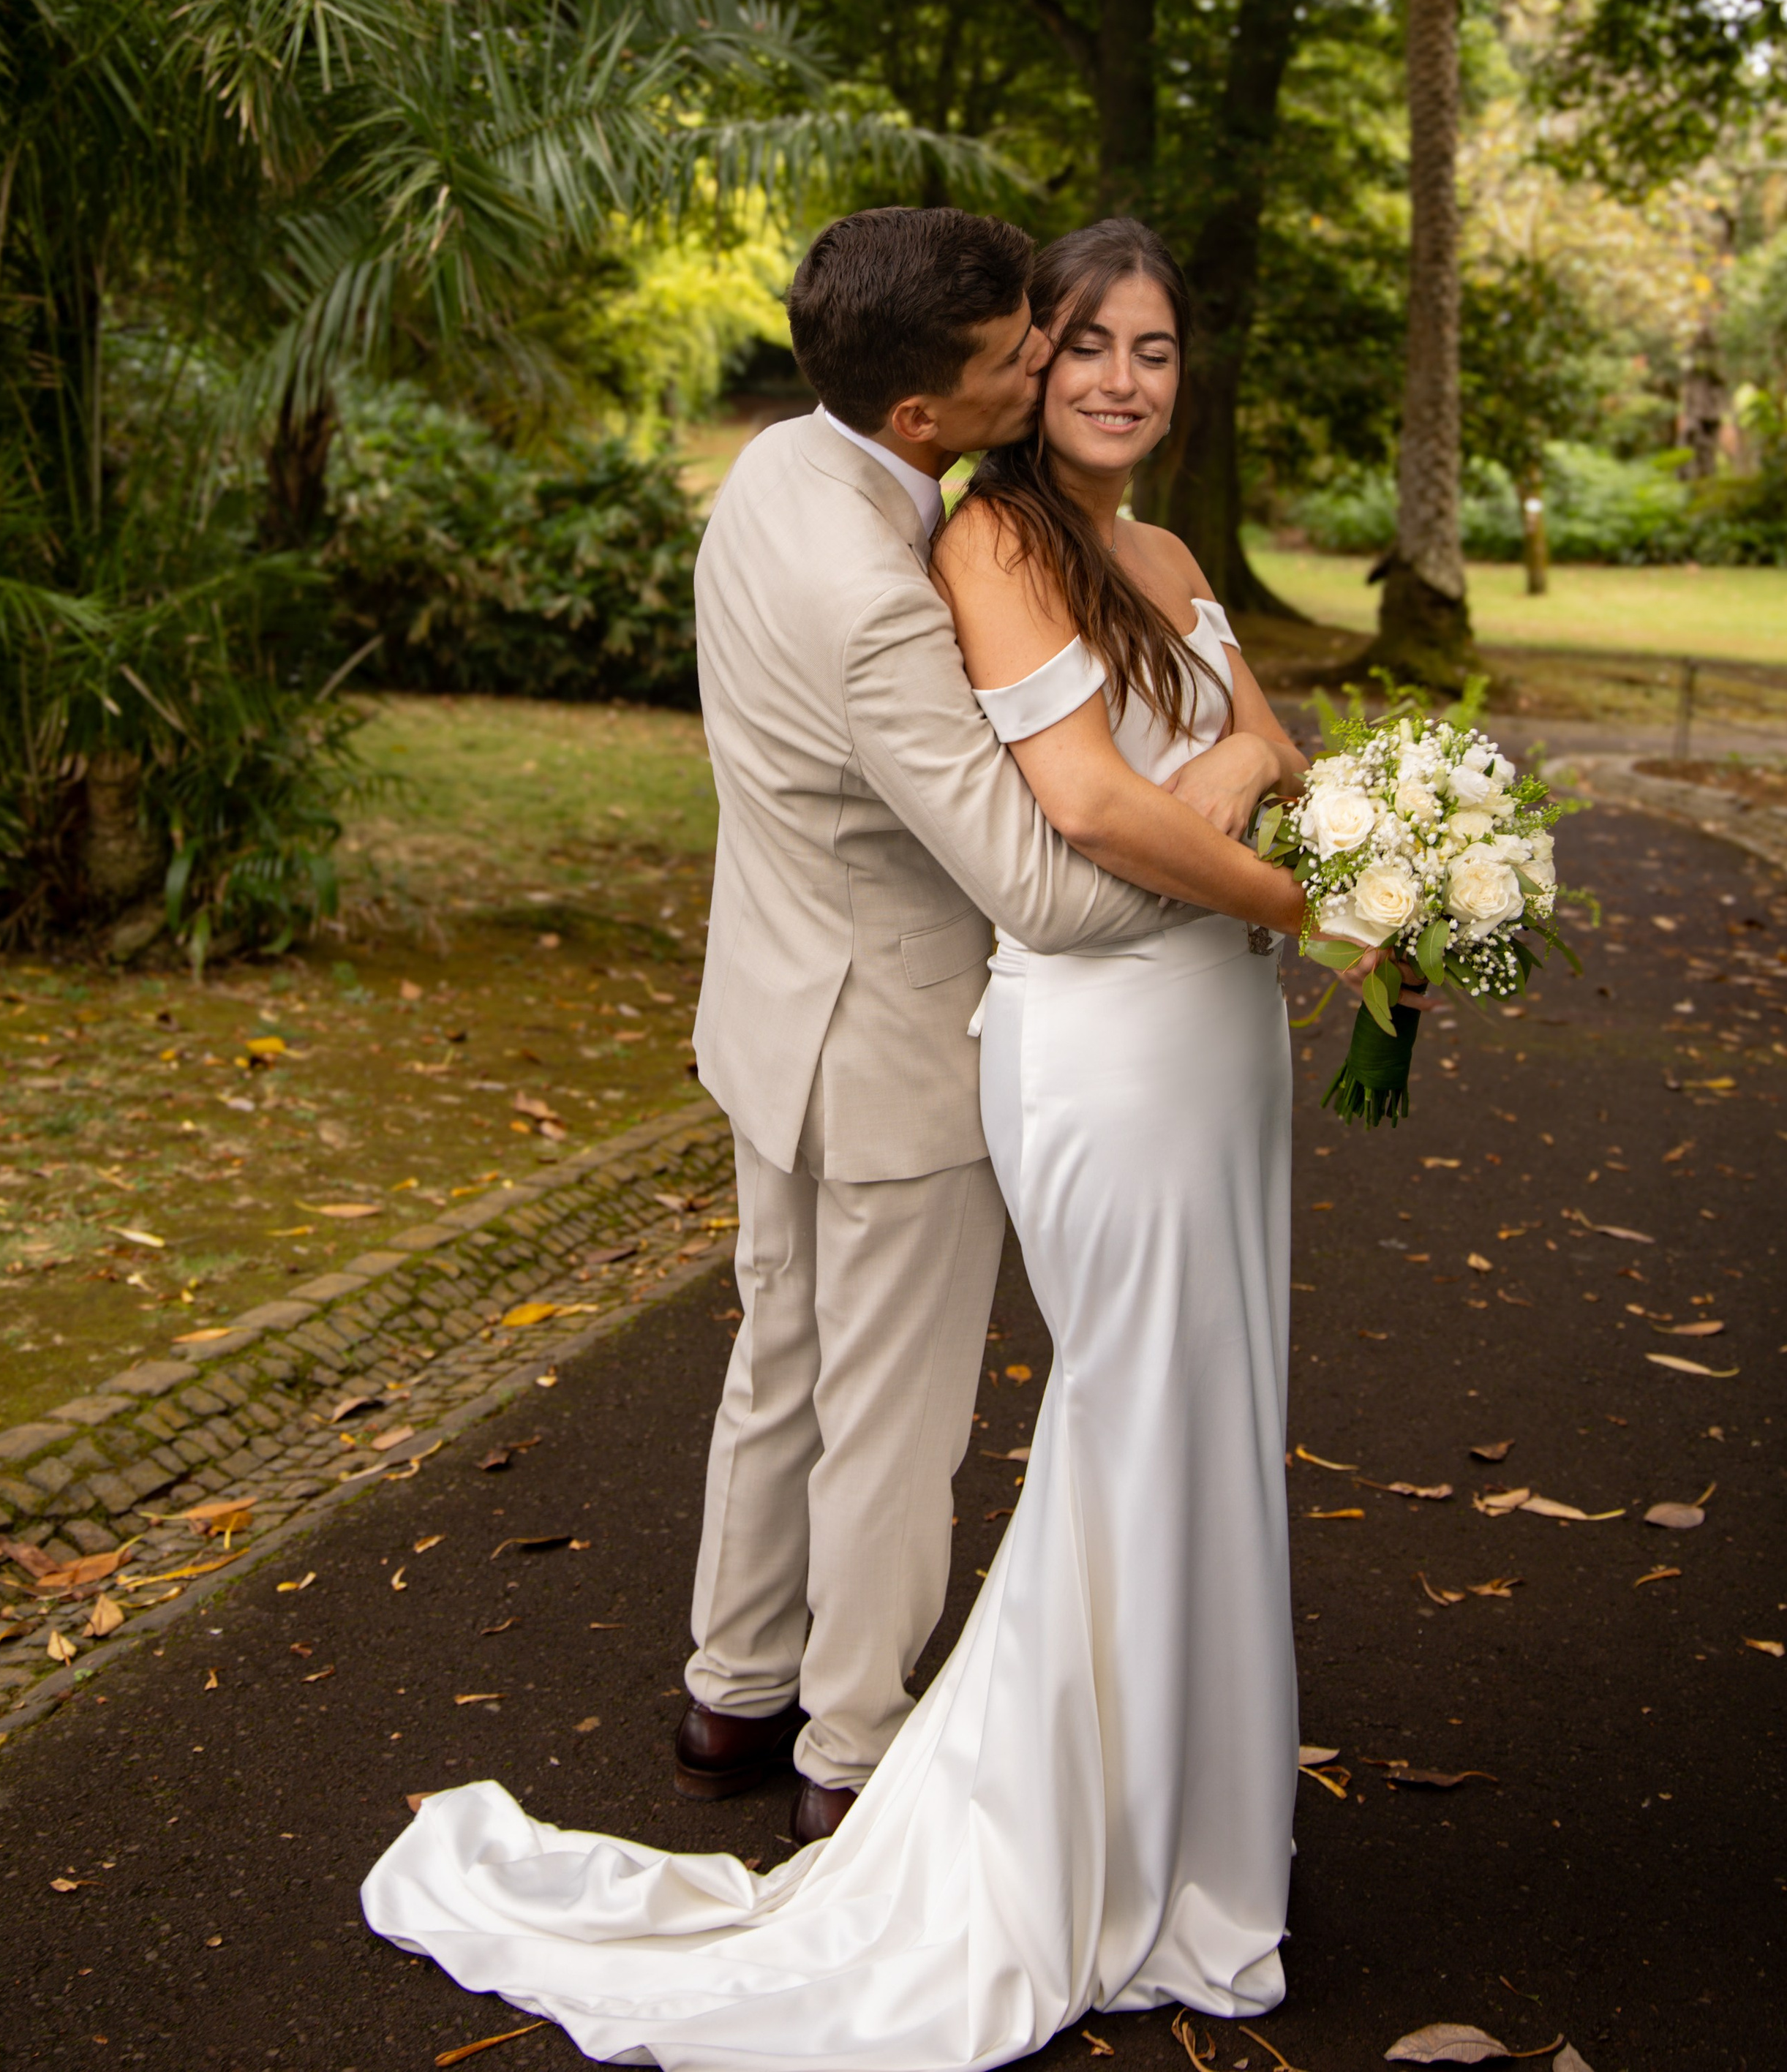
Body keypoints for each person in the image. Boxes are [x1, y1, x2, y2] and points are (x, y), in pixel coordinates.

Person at [361, 214, 1320, 2069]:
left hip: (769, 1006)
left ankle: (728, 1694)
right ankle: (850, 1753)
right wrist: (1275, 887)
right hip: (884, 1039)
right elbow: (1044, 876)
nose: (1048, 366)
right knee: (885, 1401)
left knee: (780, 1362)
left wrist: (1234, 773)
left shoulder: (778, 471)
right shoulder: (900, 583)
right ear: (922, 396)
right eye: (1019, 351)